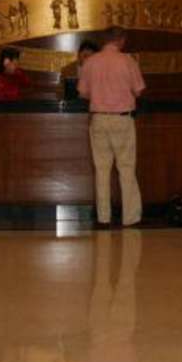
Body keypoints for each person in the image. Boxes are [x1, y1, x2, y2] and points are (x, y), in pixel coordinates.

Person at [79, 27, 147, 228]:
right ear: (121, 40)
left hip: (99, 118)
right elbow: (138, 91)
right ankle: (130, 218)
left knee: (101, 169)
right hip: (122, 119)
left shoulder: (91, 62)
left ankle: (103, 218)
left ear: (104, 40)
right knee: (126, 168)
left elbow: (83, 93)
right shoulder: (128, 61)